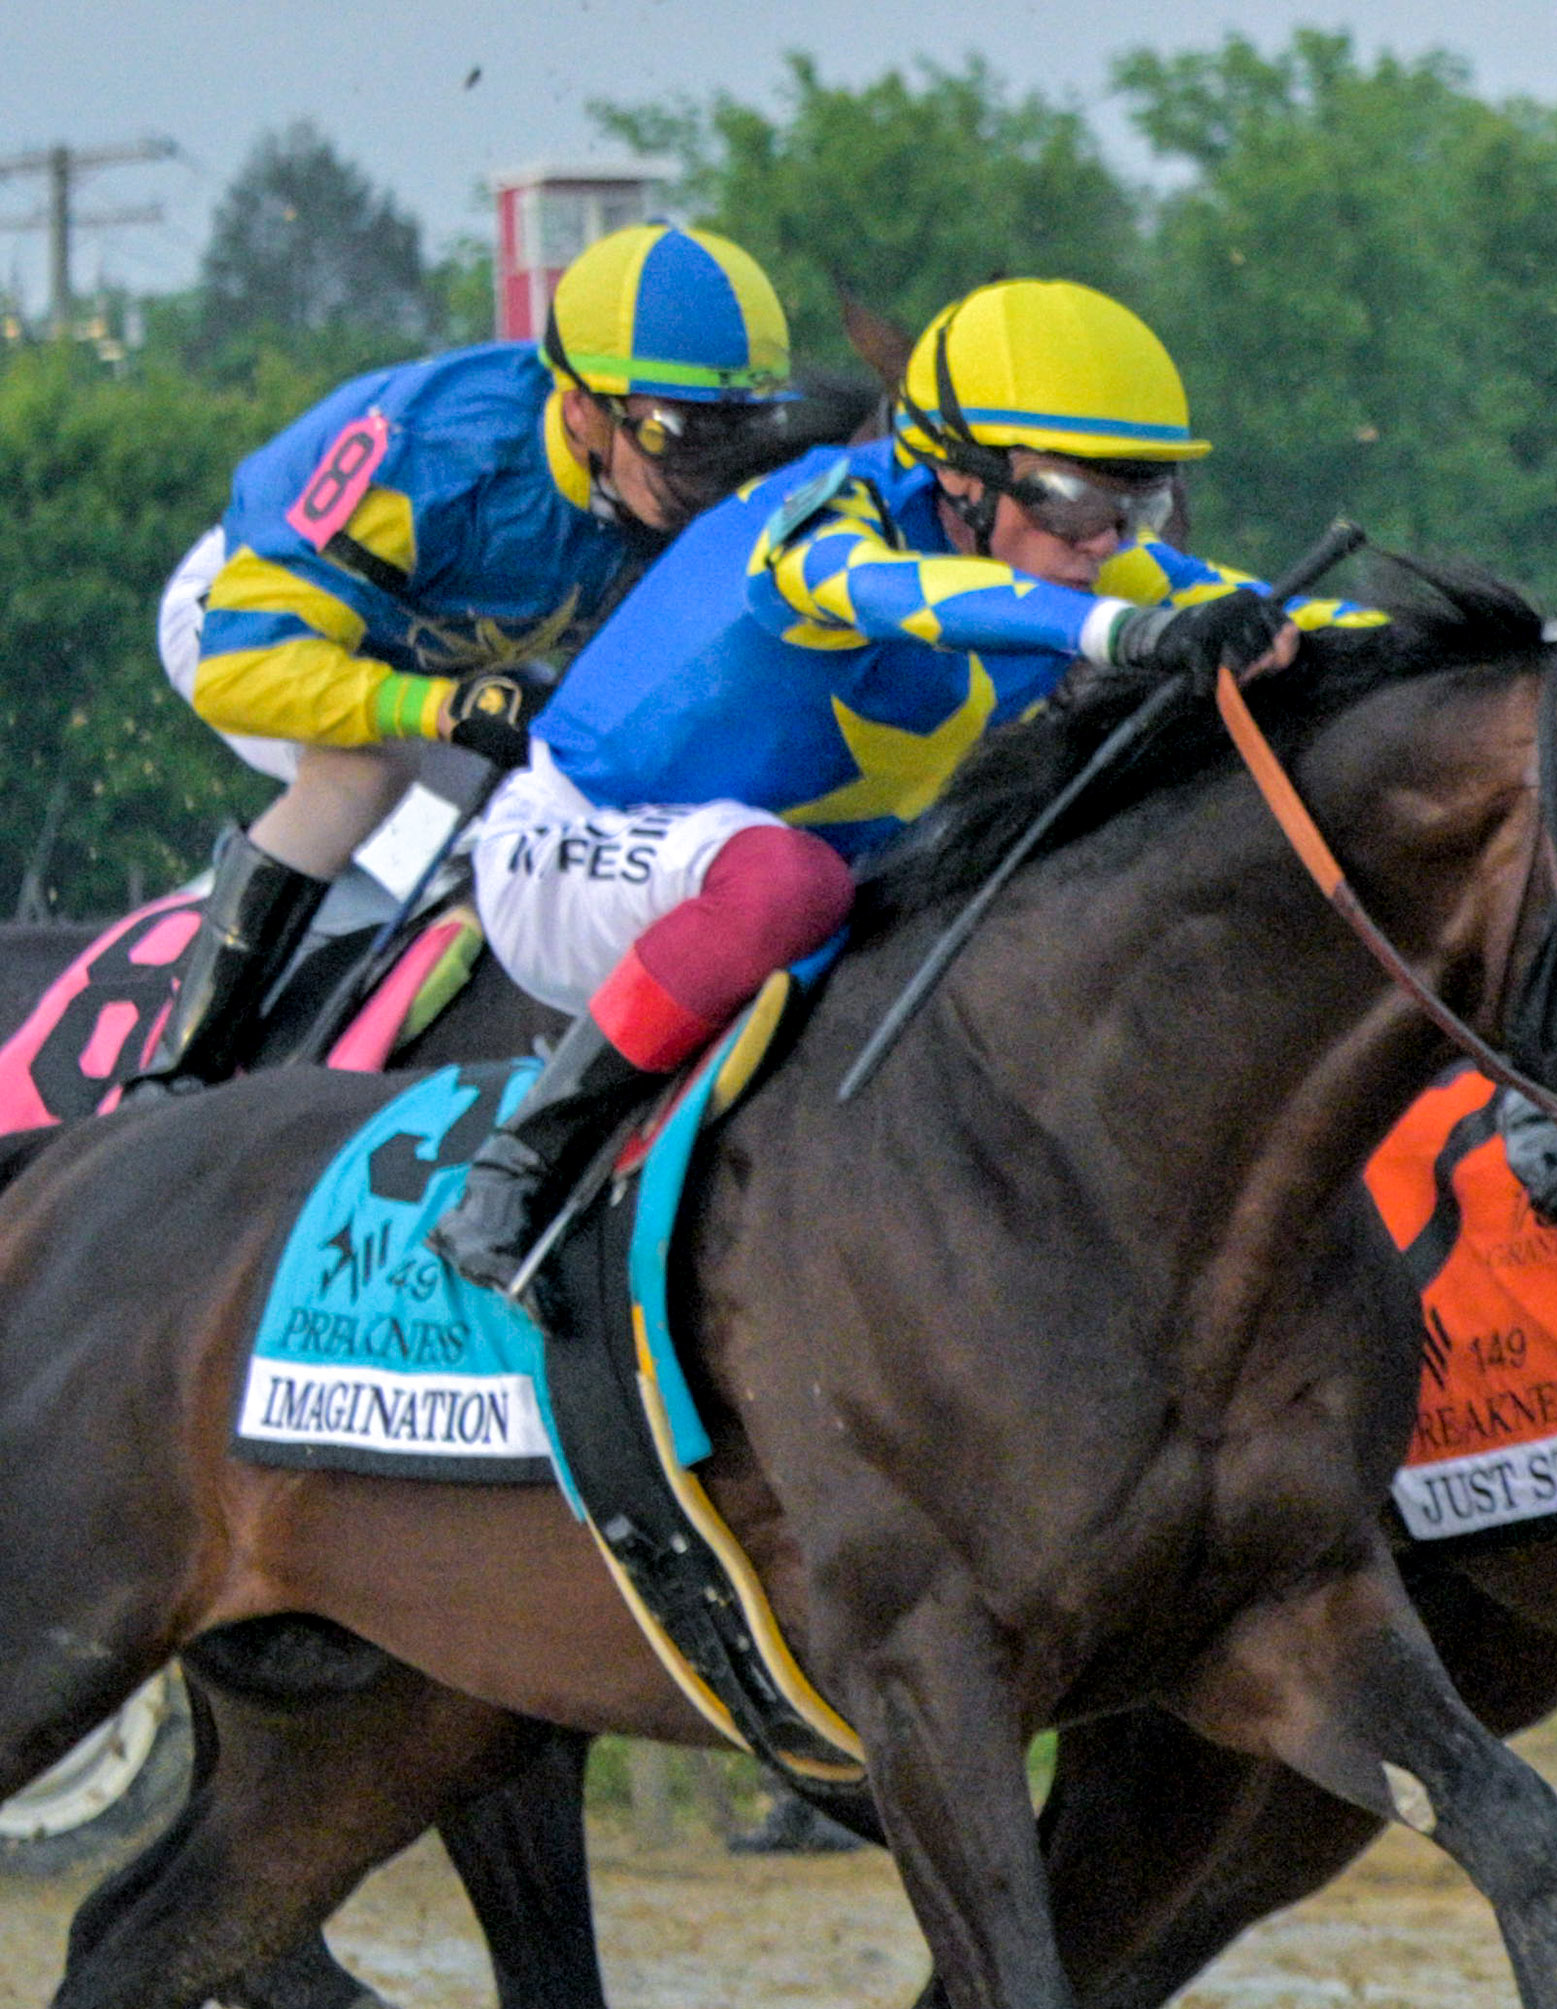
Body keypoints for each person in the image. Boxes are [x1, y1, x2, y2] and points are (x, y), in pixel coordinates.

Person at [439, 278, 1292, 1285]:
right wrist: (1117, 630)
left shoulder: (1077, 560)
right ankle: (521, 1162)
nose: (1101, 541)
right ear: (958, 475)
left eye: (1129, 501)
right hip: (569, 849)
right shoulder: (832, 514)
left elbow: (1263, 605)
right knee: (786, 885)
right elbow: (892, 590)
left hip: (797, 881)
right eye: (1070, 500)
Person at [140, 218, 811, 1091]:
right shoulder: (433, 462)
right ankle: (180, 1070)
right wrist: (438, 710)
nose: (711, 469)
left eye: (736, 431)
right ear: (581, 409)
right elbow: (243, 672)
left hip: (448, 652)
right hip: (248, 624)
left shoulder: (636, 458)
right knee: (365, 773)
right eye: (675, 435)